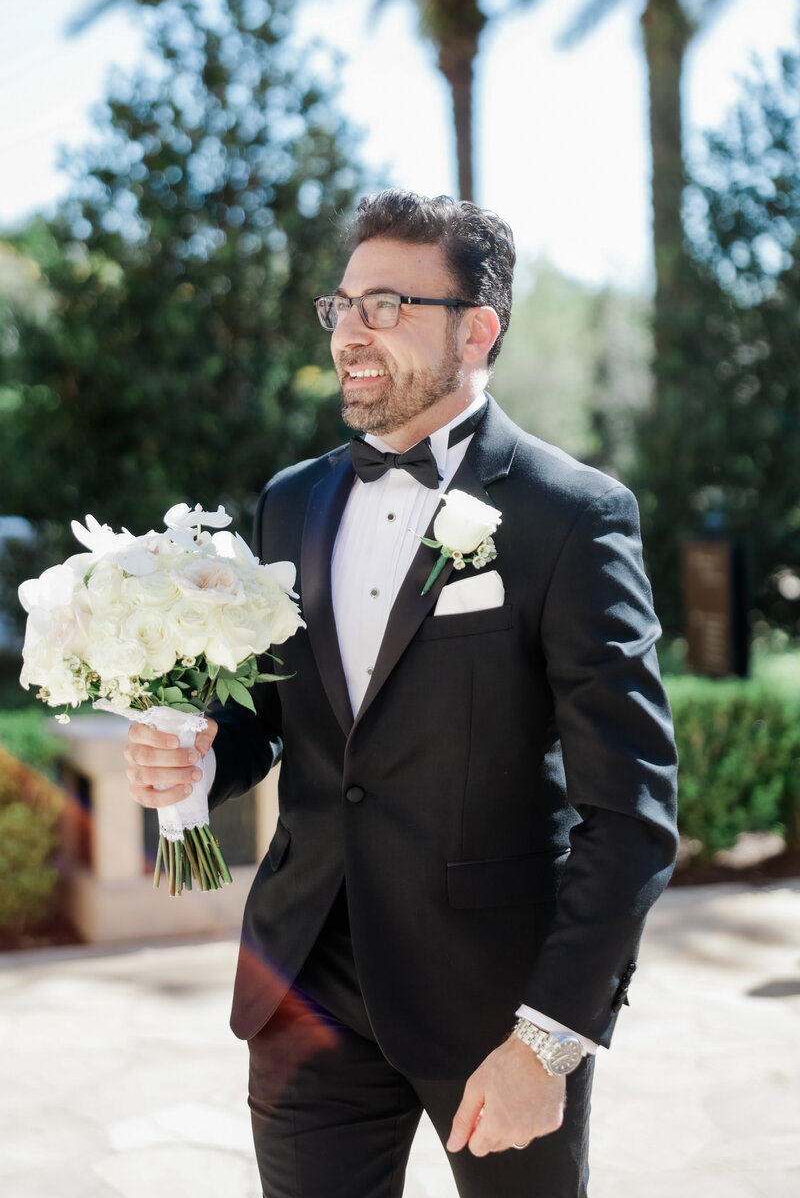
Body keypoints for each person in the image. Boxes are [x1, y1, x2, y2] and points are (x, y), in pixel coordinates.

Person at [125, 189, 679, 1198]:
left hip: (494, 1003)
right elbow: (278, 713)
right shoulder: (290, 502)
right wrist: (201, 748)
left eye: (385, 306)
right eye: (340, 306)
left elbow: (630, 814)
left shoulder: (572, 516)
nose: (349, 333)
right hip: (304, 986)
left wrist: (548, 1041)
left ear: (477, 327)